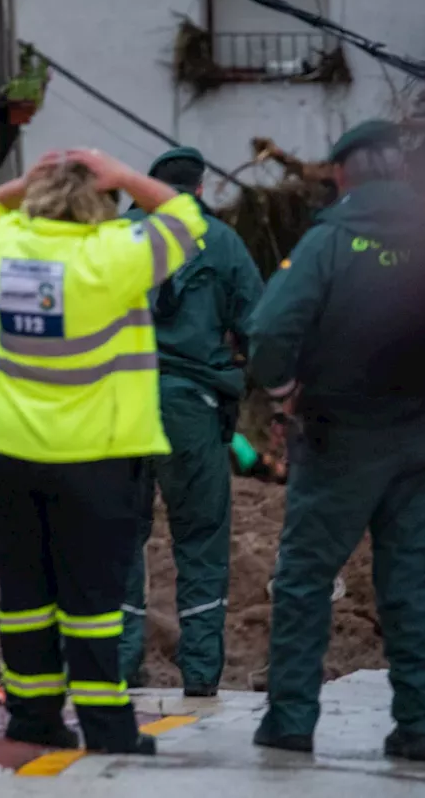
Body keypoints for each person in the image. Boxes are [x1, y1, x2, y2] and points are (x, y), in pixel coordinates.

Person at [0, 148, 210, 756]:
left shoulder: (3, 248)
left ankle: (34, 720)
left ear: (39, 200)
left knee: (23, 598)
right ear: (99, 203)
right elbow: (185, 218)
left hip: (9, 457)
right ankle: (107, 729)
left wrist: (25, 180)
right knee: (93, 601)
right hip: (98, 461)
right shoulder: (116, 255)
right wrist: (122, 175)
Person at [247, 120, 425, 762]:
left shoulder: (329, 242)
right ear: (401, 171)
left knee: (306, 579)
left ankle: (291, 720)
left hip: (339, 436)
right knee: (415, 582)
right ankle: (420, 725)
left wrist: (285, 388)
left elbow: (268, 331)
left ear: (344, 174)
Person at [117, 147, 264, 696]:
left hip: (121, 405)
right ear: (199, 190)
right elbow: (261, 326)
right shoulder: (222, 241)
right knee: (200, 540)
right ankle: (201, 676)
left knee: (119, 536)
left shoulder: (117, 236)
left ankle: (120, 664)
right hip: (192, 411)